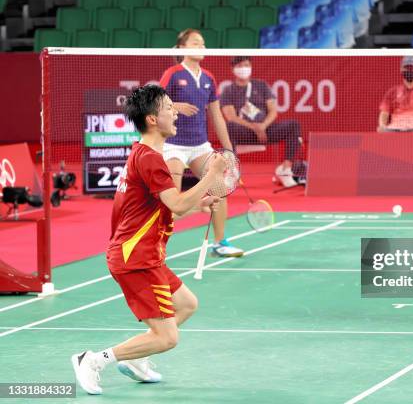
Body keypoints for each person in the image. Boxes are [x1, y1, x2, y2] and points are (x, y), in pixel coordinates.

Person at [72, 85, 226, 394]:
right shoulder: (152, 160)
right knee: (167, 337)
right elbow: (177, 203)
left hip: (144, 255)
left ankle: (138, 361)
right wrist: (211, 176)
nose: (175, 112)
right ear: (152, 119)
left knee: (186, 304)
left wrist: (198, 204)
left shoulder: (143, 154)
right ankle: (92, 360)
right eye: (169, 107)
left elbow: (167, 207)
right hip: (135, 260)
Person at [160, 28, 243, 257]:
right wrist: (175, 106)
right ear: (182, 48)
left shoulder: (208, 78)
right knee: (173, 202)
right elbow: (153, 101)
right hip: (173, 146)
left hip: (200, 146)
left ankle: (220, 242)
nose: (202, 47)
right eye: (196, 43)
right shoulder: (173, 73)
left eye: (203, 44)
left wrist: (228, 151)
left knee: (220, 187)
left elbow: (217, 117)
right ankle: (158, 245)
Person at [219, 56, 302, 188]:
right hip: (243, 132)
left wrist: (262, 126)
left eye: (246, 65)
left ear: (251, 67)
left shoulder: (261, 85)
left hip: (266, 130)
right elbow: (231, 117)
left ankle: (285, 170)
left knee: (293, 125)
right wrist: (254, 127)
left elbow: (273, 111)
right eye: (239, 66)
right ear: (233, 69)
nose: (243, 69)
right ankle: (232, 170)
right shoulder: (228, 90)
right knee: (228, 127)